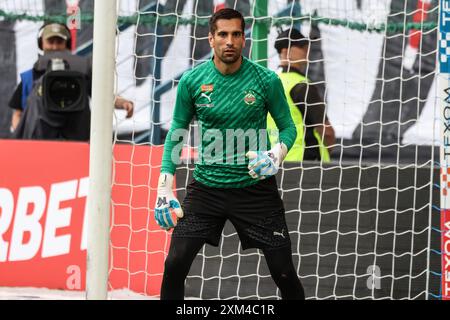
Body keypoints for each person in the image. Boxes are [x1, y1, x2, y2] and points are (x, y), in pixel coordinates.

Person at [153, 8, 305, 300]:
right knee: (174, 264)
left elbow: (288, 128)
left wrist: (276, 154)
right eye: (222, 34)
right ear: (211, 39)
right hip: (206, 189)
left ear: (244, 39)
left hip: (255, 190)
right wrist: (163, 185)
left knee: (284, 271)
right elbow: (176, 133)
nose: (230, 41)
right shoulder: (192, 81)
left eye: (236, 34)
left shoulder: (265, 80)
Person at [8, 22, 133, 140]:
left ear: (66, 44)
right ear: (41, 44)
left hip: (76, 138)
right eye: (50, 42)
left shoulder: (81, 74)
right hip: (39, 141)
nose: (55, 46)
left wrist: (122, 103)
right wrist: (23, 139)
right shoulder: (30, 76)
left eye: (59, 42)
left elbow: (101, 95)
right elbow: (17, 114)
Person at [269, 28, 335, 162]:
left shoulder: (268, 83)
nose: (306, 49)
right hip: (306, 164)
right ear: (285, 51)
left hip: (273, 162)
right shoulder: (302, 86)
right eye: (300, 46)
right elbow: (327, 132)